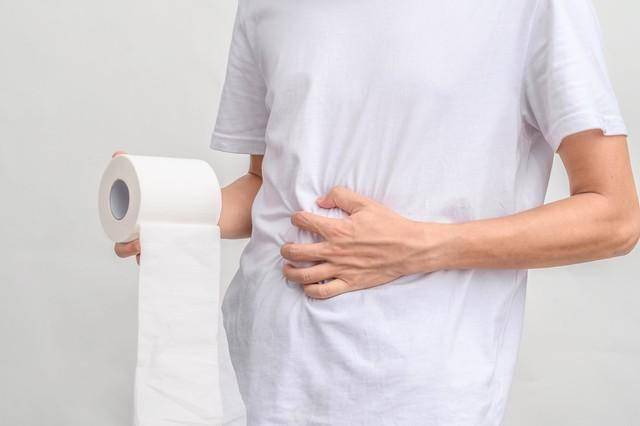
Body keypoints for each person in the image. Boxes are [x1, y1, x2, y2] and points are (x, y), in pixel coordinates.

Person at [114, 0, 640, 424]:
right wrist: (176, 215)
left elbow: (614, 217)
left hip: (415, 393)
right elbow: (268, 185)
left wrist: (420, 247)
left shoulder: (535, 8)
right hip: (259, 374)